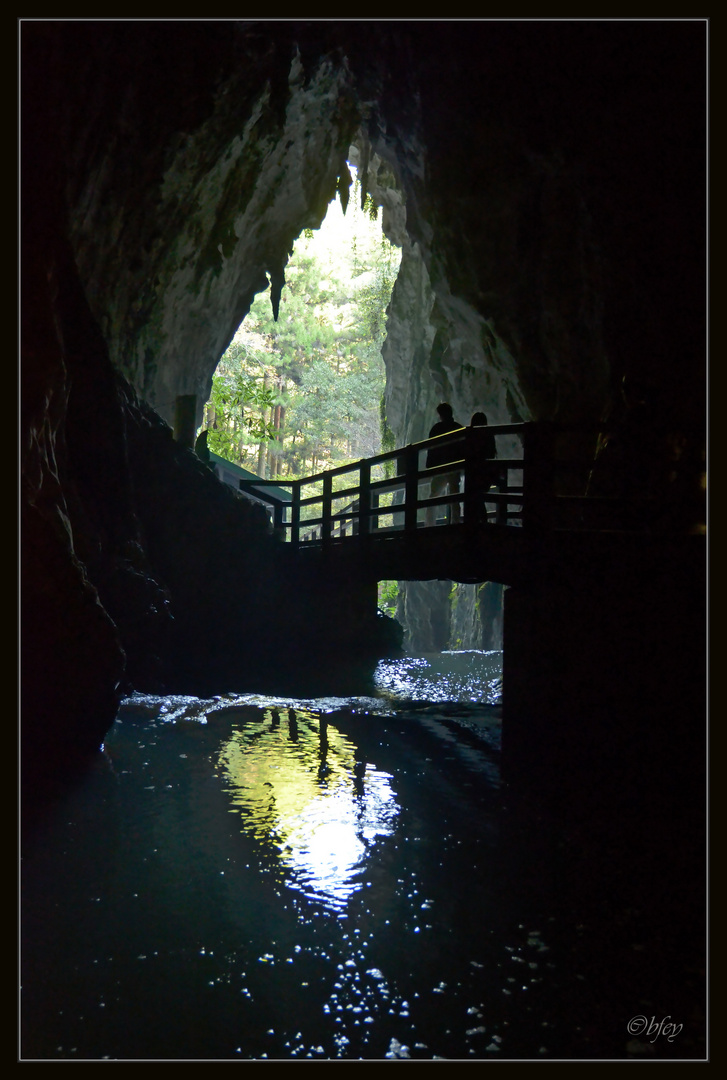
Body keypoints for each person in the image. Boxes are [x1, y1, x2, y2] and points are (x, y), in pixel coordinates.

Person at [426, 402, 464, 524]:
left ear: (441, 415)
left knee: (433, 496)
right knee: (454, 496)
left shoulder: (437, 428)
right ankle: (456, 523)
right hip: (454, 466)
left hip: (440, 467)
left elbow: (431, 448)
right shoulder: (458, 428)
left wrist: (430, 465)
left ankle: (429, 524)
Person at [469, 411, 501, 524]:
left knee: (475, 499)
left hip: (475, 474)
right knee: (479, 499)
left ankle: (479, 523)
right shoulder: (489, 435)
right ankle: (483, 522)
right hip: (486, 473)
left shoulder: (471, 435)